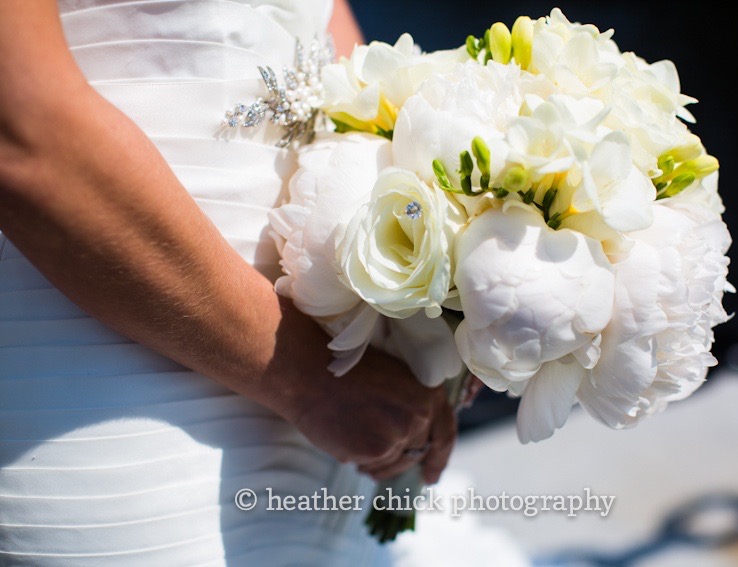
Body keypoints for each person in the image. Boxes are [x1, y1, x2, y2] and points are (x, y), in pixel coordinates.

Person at [0, 0, 457, 564]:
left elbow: (335, 43)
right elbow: (20, 129)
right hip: (123, 423)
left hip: (342, 405)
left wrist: (440, 294)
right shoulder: (314, 385)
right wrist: (307, 379)